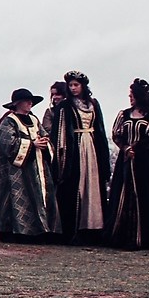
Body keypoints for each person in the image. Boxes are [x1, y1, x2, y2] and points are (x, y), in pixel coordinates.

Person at [103, 79, 149, 250]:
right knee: (123, 194)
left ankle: (146, 238)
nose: (130, 98)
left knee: (145, 195)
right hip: (127, 160)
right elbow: (117, 135)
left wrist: (137, 149)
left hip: (147, 161)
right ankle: (121, 236)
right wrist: (126, 148)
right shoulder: (124, 114)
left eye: (132, 96)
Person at [44, 70, 109, 244]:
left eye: (76, 85)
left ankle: (94, 229)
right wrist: (62, 158)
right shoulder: (65, 106)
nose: (73, 88)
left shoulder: (94, 104)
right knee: (76, 186)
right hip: (75, 149)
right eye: (70, 85)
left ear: (83, 86)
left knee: (93, 187)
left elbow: (100, 129)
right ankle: (73, 230)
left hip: (92, 147)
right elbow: (59, 133)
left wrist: (104, 156)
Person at [0, 88, 57, 241]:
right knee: (18, 197)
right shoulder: (9, 120)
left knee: (39, 196)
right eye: (27, 101)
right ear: (17, 103)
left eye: (31, 101)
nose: (30, 104)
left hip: (37, 167)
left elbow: (44, 136)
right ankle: (16, 232)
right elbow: (6, 143)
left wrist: (44, 143)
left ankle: (40, 231)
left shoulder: (34, 120)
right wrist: (32, 144)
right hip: (17, 171)